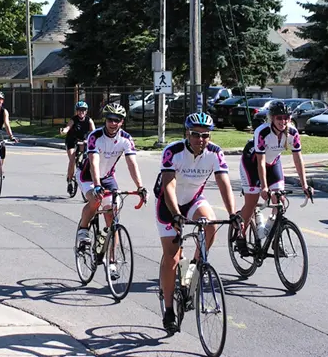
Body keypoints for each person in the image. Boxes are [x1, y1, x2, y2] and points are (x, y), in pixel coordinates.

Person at [155, 112, 241, 334]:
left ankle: (193, 268)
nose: (200, 139)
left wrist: (233, 213)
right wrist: (176, 214)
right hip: (169, 204)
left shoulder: (215, 153)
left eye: (205, 135)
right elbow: (169, 186)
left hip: (193, 199)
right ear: (187, 133)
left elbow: (223, 183)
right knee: (172, 257)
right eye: (195, 134)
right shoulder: (173, 151)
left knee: (210, 225)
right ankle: (169, 310)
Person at [75, 103, 147, 279]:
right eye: (110, 119)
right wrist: (97, 185)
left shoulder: (126, 139)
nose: (113, 123)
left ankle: (112, 262)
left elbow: (132, 164)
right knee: (96, 199)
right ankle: (83, 229)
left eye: (117, 120)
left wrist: (140, 187)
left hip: (108, 177)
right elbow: (93, 162)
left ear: (122, 122)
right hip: (88, 176)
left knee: (112, 217)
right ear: (105, 120)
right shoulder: (95, 136)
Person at [236, 100, 311, 255]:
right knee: (251, 202)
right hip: (252, 163)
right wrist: (264, 187)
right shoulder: (262, 132)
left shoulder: (292, 132)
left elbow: (298, 158)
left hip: (273, 163)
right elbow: (260, 162)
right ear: (271, 118)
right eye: (279, 118)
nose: (283, 121)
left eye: (286, 117)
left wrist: (305, 185)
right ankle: (240, 235)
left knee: (280, 200)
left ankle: (275, 239)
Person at [60, 101, 95, 194]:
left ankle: (84, 172)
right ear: (76, 111)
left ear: (86, 111)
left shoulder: (89, 120)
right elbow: (67, 128)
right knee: (72, 160)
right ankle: (69, 181)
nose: (81, 112)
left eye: (83, 110)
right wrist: (63, 131)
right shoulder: (73, 120)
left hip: (83, 142)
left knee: (88, 159)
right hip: (72, 141)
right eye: (79, 110)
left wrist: (91, 140)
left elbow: (94, 133)